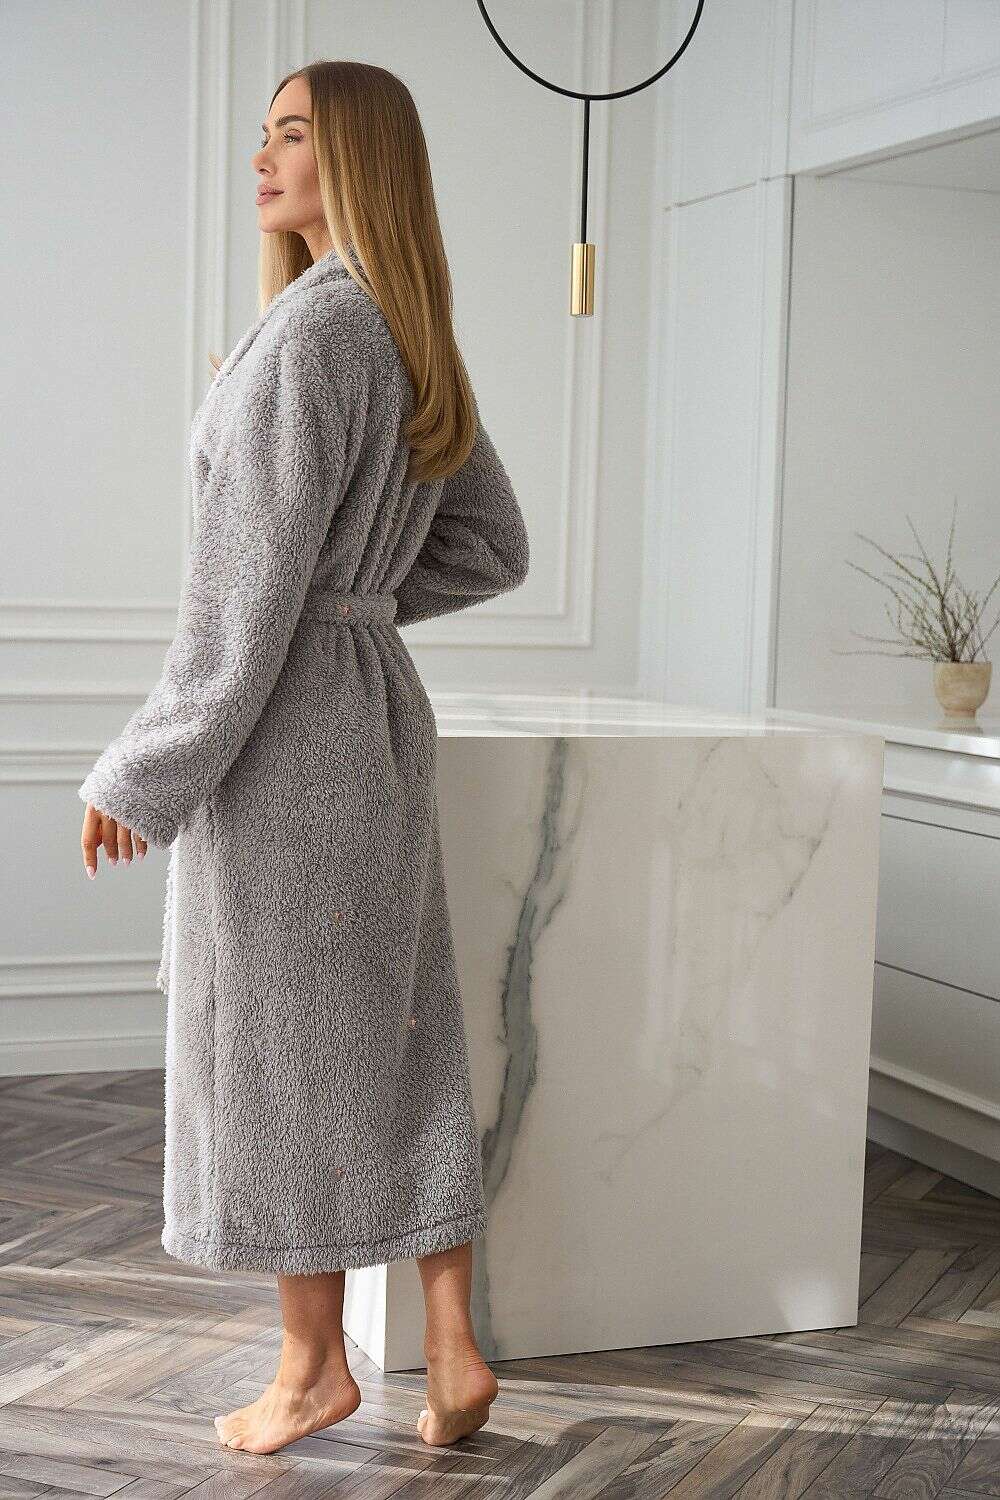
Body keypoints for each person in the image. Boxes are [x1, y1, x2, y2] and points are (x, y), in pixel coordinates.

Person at [77, 59, 530, 1457]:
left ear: (359, 157)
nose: (263, 157)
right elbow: (493, 546)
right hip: (371, 716)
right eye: (263, 134)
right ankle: (453, 1346)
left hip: (286, 741)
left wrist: (140, 771)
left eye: (293, 135)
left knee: (281, 1053)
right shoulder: (402, 324)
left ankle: (310, 1368)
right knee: (397, 1034)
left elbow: (245, 595)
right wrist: (362, 598)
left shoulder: (314, 332)